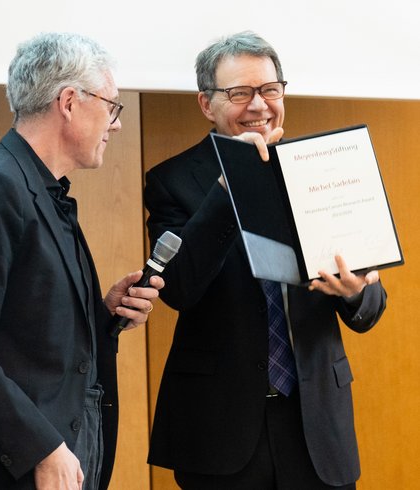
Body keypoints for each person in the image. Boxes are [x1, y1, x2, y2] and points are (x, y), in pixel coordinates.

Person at [144, 31, 387, 490]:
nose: (258, 105)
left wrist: (358, 294)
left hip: (318, 429)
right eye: (240, 93)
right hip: (220, 430)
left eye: (270, 90)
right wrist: (230, 187)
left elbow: (371, 304)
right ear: (206, 103)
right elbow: (179, 287)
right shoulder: (172, 181)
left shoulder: (321, 170)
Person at [0, 32, 163, 490]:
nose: (116, 124)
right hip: (11, 467)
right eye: (111, 106)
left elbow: (24, 327)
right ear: (70, 102)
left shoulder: (38, 187)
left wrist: (101, 316)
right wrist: (39, 446)